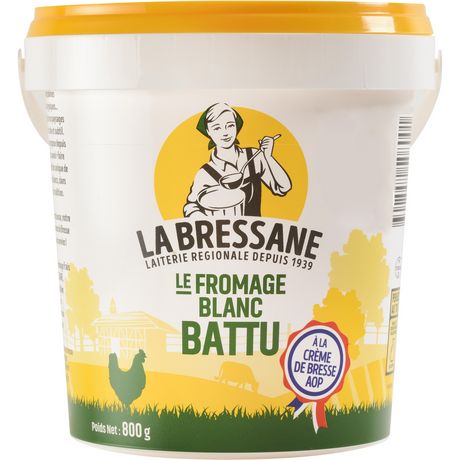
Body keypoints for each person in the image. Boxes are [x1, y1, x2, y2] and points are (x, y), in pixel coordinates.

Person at [183, 102, 292, 217]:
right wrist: (206, 221)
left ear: (236, 126)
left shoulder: (253, 156)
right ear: (208, 131)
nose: (225, 133)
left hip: (257, 227)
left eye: (230, 125)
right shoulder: (205, 173)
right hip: (220, 228)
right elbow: (190, 207)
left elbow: (284, 187)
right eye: (217, 128)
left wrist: (268, 157)